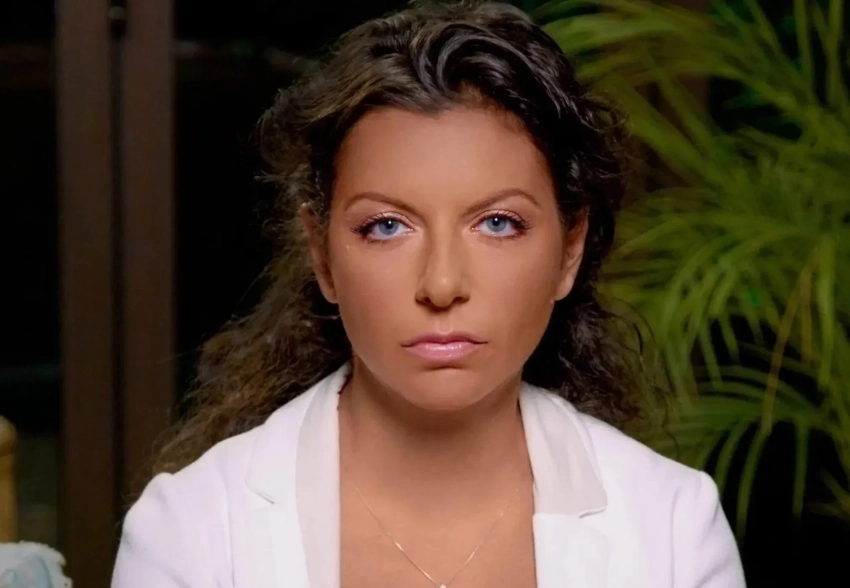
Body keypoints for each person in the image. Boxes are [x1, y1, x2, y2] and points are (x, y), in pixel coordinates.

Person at [111, 2, 745, 587]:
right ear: (323, 254)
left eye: (498, 223)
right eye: (387, 226)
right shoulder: (191, 534)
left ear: (569, 250)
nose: (442, 285)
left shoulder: (671, 530)